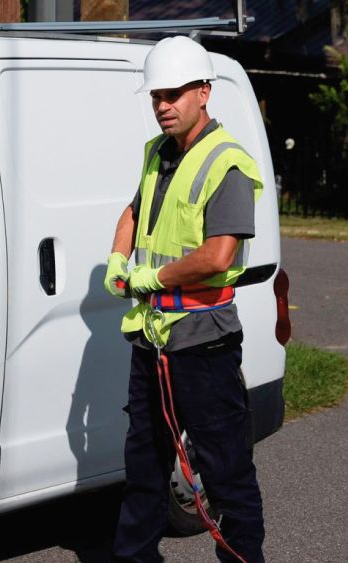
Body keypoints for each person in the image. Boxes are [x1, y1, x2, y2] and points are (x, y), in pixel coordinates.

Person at [103, 36, 265, 563]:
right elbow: (134, 211)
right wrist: (117, 258)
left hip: (204, 343)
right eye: (156, 96)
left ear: (203, 93)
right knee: (144, 467)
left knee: (226, 472)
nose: (163, 106)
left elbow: (218, 256)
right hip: (152, 339)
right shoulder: (157, 153)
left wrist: (152, 278)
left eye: (174, 94)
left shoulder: (227, 163)